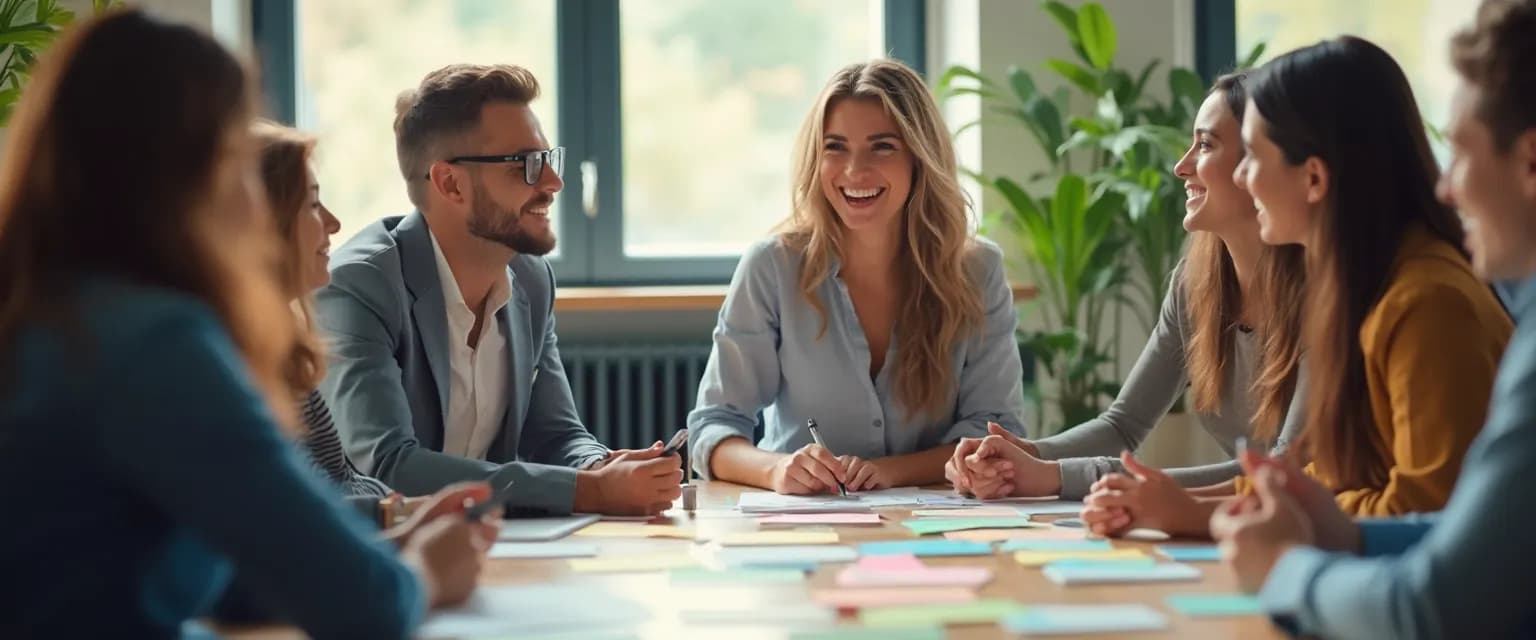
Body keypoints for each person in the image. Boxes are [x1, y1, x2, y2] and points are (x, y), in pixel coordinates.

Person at [0, 10, 487, 638]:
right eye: (236, 159)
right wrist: (425, 572)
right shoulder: (155, 344)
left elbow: (228, 572)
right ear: (189, 179)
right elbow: (366, 610)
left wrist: (389, 551)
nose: (258, 200)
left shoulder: (48, 311)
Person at [1212, 2, 1536, 636]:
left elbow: (1437, 600)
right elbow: (1470, 538)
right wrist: (1344, 532)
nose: (1446, 187)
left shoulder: (1428, 300)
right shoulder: (1367, 292)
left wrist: (1286, 569)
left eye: (1460, 153)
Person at [315, 64, 682, 516]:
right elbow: (389, 467)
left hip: (482, 537)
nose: (553, 183)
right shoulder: (360, 287)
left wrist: (599, 466)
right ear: (451, 183)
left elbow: (556, 435)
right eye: (525, 166)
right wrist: (589, 491)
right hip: (379, 544)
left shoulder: (531, 278)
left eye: (549, 160)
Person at [945, 74, 1310, 515]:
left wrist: (1056, 476)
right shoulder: (1195, 284)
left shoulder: (1324, 295)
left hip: (1312, 527)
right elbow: (1123, 425)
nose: (1182, 166)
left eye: (1206, 145)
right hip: (1251, 524)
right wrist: (1020, 456)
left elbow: (1284, 470)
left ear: (1264, 161)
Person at [687, 59, 1028, 495]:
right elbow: (713, 427)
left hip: (935, 519)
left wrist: (889, 472)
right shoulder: (771, 267)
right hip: (799, 520)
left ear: (920, 157)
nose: (854, 171)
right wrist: (776, 470)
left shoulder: (978, 272)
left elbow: (994, 430)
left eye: (882, 147)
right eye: (835, 147)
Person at [254, 120, 502, 532]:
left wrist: (413, 512)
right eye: (312, 205)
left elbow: (339, 484)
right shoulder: (228, 360)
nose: (333, 223)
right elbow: (286, 511)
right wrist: (405, 516)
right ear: (262, 224)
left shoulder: (282, 346)